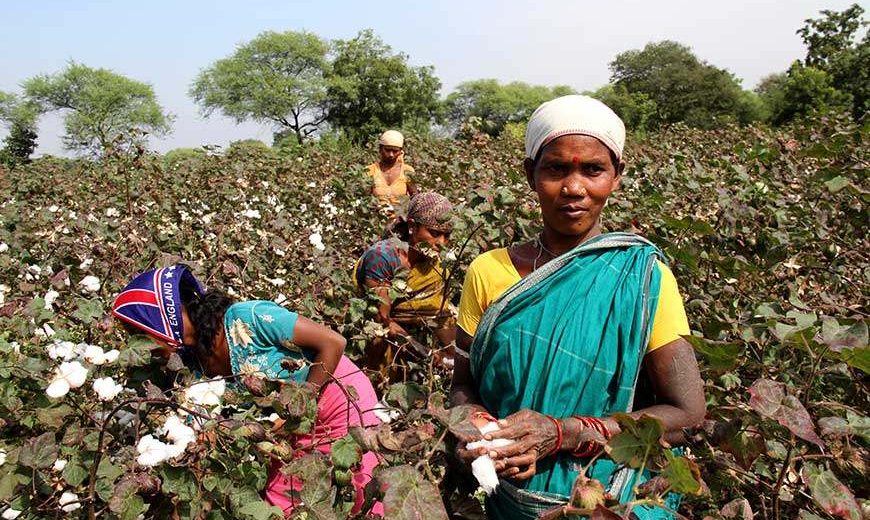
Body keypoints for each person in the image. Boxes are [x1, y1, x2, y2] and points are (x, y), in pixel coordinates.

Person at [449, 95, 705, 519]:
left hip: (612, 497)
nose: (574, 187)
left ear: (616, 176)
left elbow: (688, 414)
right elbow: (462, 385)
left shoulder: (643, 278)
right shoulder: (488, 272)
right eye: (555, 169)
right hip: (511, 498)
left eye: (593, 170)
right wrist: (477, 427)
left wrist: (562, 433)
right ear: (530, 174)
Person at [111, 264, 382, 516]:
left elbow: (333, 342)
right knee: (283, 503)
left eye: (138, 335)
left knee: (357, 493)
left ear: (158, 320)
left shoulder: (247, 318)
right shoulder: (192, 365)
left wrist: (300, 403)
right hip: (289, 428)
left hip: (339, 402)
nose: (139, 347)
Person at [355, 192, 456, 387]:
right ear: (412, 226)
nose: (441, 242)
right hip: (381, 343)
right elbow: (383, 322)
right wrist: (428, 356)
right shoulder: (383, 257)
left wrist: (457, 358)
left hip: (418, 340)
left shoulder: (434, 260)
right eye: (434, 233)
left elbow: (438, 311)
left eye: (447, 235)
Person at [367, 130, 418, 210]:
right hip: (376, 219)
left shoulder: (407, 171)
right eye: (387, 150)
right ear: (380, 149)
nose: (391, 154)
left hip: (401, 220)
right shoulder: (370, 170)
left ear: (400, 151)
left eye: (395, 151)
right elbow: (364, 200)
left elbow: (415, 198)